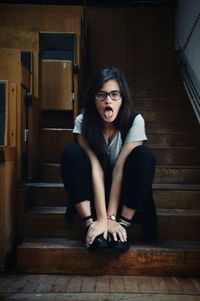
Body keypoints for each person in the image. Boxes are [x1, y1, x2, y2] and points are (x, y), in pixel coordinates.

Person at [60, 67, 157, 251]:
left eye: (114, 95)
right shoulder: (83, 121)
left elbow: (120, 167)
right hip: (94, 193)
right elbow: (95, 167)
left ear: (122, 98)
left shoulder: (135, 121)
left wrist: (112, 219)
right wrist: (101, 220)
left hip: (124, 195)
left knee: (144, 156)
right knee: (71, 153)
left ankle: (123, 226)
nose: (108, 101)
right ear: (93, 99)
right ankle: (90, 225)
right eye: (101, 95)